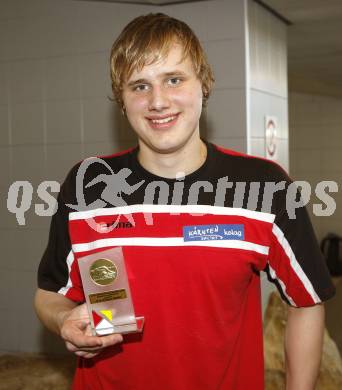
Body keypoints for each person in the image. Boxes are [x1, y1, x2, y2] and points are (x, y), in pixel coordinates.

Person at [34, 13, 335, 390]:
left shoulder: (264, 186)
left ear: (203, 84)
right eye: (139, 86)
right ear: (122, 101)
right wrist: (63, 320)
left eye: (174, 79)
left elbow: (306, 302)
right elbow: (50, 293)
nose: (158, 101)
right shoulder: (88, 185)